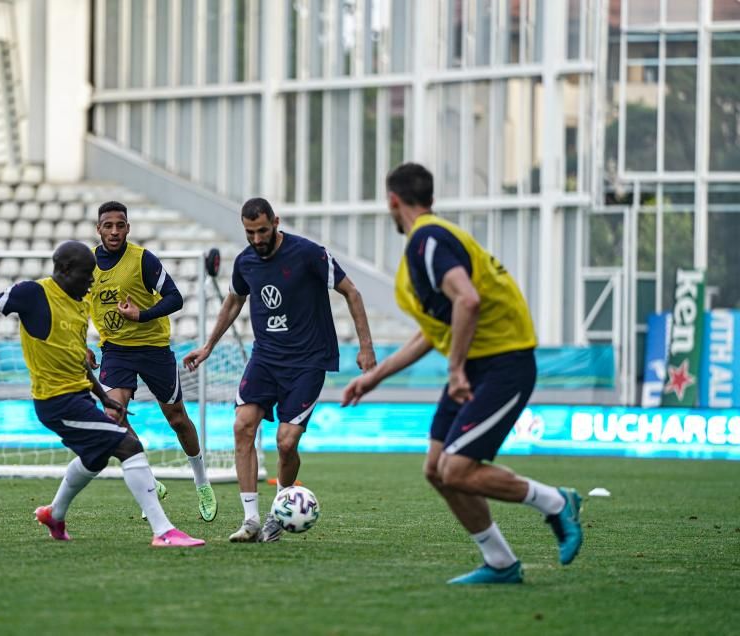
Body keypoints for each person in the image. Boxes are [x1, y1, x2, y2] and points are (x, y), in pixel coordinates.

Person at [341, 163, 582, 584]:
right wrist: (374, 376)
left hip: (503, 363)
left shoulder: (428, 240)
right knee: (437, 468)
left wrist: (454, 370)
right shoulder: (429, 243)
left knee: (456, 469)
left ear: (392, 201)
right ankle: (501, 563)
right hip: (479, 363)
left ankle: (557, 503)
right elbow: (437, 330)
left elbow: (467, 301)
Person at [0, 241, 204, 547]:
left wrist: (103, 396)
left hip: (79, 396)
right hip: (55, 402)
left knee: (94, 459)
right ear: (65, 270)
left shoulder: (81, 304)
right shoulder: (32, 293)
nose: (91, 282)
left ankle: (54, 514)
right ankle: (163, 532)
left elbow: (76, 359)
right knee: (129, 445)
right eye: (86, 275)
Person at [184, 198, 376, 543]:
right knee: (242, 425)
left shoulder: (309, 254)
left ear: (276, 222)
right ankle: (251, 520)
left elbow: (352, 292)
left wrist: (366, 348)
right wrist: (208, 345)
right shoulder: (245, 262)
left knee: (286, 443)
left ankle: (279, 509)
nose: (257, 239)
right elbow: (233, 303)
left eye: (262, 230)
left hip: (307, 362)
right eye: (249, 233)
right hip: (266, 358)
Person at [88, 201, 217, 522]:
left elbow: (175, 297)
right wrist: (80, 344)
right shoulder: (86, 263)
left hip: (154, 350)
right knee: (112, 416)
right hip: (115, 350)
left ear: (128, 228)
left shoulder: (142, 260)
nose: (114, 231)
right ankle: (149, 481)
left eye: (120, 225)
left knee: (177, 419)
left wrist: (141, 315)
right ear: (99, 229)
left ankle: (201, 481)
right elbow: (75, 304)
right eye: (108, 225)